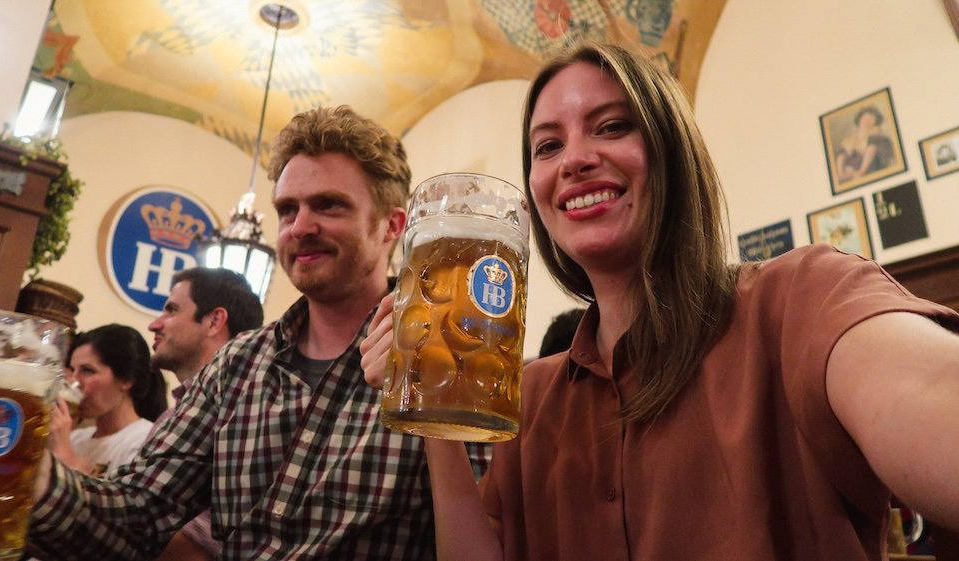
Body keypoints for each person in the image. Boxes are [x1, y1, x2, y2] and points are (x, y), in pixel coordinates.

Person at [360, 42, 959, 560]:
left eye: (612, 126)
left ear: (671, 149)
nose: (573, 159)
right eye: (547, 146)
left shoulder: (800, 301)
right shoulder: (533, 401)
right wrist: (432, 393)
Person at [27, 105, 489, 560]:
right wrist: (32, 475)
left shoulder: (448, 358)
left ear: (392, 225)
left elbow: (486, 532)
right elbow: (140, 514)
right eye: (287, 210)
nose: (299, 228)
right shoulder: (238, 363)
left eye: (328, 205)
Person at [146, 267, 264, 561]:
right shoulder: (169, 417)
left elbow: (198, 550)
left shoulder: (247, 419)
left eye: (171, 310)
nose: (154, 324)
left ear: (214, 321)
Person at [49, 324, 168, 478]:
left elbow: (114, 500)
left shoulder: (146, 441)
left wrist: (64, 449)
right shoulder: (77, 437)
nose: (74, 382)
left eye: (87, 371)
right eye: (72, 370)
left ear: (126, 379)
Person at [835, 105, 895, 182]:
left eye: (870, 120)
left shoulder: (877, 134)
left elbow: (881, 149)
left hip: (872, 163)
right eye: (864, 119)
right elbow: (847, 150)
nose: (866, 122)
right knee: (841, 153)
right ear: (859, 120)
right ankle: (841, 174)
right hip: (854, 160)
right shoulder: (852, 137)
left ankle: (861, 172)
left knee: (872, 146)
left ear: (875, 122)